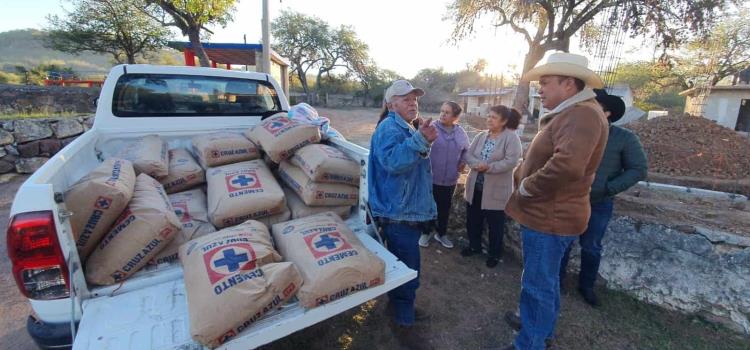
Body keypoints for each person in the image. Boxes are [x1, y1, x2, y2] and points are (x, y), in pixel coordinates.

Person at [501, 52, 610, 350]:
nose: (540, 88)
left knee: (537, 285)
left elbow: (567, 166)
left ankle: (529, 343)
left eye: (546, 83)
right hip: (553, 216)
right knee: (545, 282)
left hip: (549, 217)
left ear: (569, 85)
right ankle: (540, 330)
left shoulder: (582, 114)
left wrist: (526, 187)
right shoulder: (577, 111)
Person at [559, 89, 648, 306]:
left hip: (598, 202)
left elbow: (638, 169)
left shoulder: (624, 138)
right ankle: (556, 281)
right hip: (569, 199)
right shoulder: (575, 132)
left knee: (591, 246)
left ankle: (586, 286)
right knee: (562, 243)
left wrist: (607, 188)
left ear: (606, 113)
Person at [368, 79, 437, 350]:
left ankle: (399, 307)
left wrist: (422, 138)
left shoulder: (405, 127)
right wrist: (421, 139)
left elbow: (411, 160)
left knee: (403, 264)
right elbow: (393, 162)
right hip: (398, 213)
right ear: (391, 104)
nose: (413, 103)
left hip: (406, 209)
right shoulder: (389, 128)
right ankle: (403, 318)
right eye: (406, 99)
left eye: (415, 98)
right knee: (409, 268)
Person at [460, 105, 522, 268]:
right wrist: (476, 164)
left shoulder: (511, 138)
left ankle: (494, 254)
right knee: (473, 220)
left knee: (496, 225)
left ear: (504, 121)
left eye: (493, 117)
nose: (489, 119)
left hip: (496, 191)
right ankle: (474, 246)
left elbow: (511, 161)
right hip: (476, 187)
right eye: (489, 116)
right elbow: (468, 154)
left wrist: (489, 167)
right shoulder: (482, 136)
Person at [418, 101, 470, 249]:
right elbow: (420, 147)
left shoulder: (460, 133)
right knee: (428, 206)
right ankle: (425, 232)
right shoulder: (431, 128)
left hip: (450, 179)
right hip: (430, 177)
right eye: (442, 111)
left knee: (445, 207)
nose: (442, 114)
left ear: (455, 117)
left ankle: (441, 234)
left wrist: (463, 161)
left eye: (447, 112)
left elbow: (466, 150)